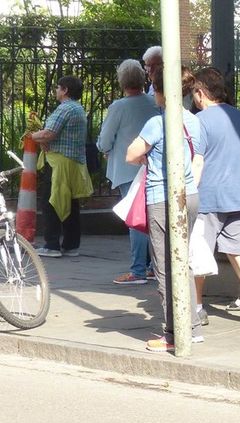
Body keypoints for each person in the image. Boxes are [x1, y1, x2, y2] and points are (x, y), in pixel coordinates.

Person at [125, 67, 205, 354]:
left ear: (159, 91)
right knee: (183, 260)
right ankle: (192, 327)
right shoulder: (193, 121)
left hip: (162, 196)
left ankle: (174, 331)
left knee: (165, 266)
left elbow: (131, 154)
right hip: (190, 194)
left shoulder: (157, 123)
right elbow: (199, 159)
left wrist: (148, 160)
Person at [190, 67, 240, 328]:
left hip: (208, 198)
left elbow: (198, 161)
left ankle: (198, 308)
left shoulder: (199, 121)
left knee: (198, 255)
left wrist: (188, 190)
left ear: (200, 93)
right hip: (238, 197)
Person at [97, 59, 159, 285]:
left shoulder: (118, 107)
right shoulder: (153, 103)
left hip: (127, 168)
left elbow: (104, 140)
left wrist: (104, 149)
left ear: (121, 81)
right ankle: (154, 267)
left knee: (136, 219)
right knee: (153, 217)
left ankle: (137, 270)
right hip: (151, 166)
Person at [32, 76, 92, 259]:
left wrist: (32, 135)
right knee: (70, 203)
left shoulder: (65, 108)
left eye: (58, 87)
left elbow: (49, 133)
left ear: (65, 90)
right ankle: (71, 244)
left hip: (59, 162)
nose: (56, 90)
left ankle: (51, 244)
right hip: (73, 162)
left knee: (52, 201)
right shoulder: (78, 108)